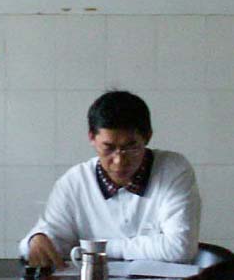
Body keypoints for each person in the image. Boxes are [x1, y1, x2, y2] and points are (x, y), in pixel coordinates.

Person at [20, 90, 201, 268]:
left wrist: (99, 248)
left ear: (147, 137)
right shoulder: (74, 183)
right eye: (108, 148)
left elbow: (180, 247)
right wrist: (36, 240)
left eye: (131, 148)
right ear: (92, 138)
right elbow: (51, 240)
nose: (119, 160)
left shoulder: (172, 170)